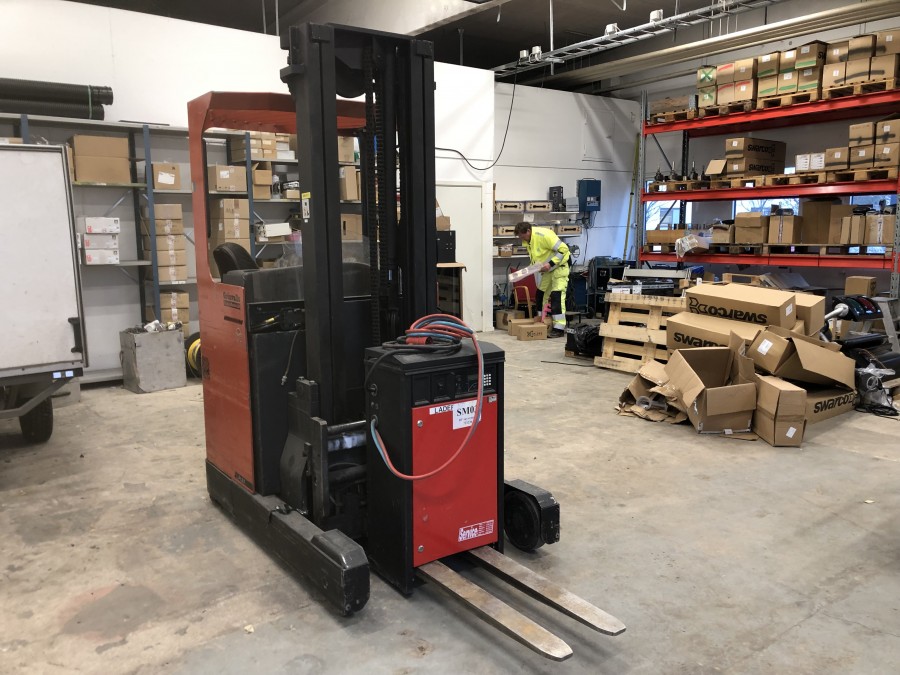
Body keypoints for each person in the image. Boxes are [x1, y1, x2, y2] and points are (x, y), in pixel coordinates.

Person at [514, 221, 570, 338]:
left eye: (522, 236)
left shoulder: (544, 235)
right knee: (540, 294)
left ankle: (559, 328)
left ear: (528, 231)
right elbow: (536, 258)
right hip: (548, 271)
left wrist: (550, 264)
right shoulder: (529, 241)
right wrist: (528, 271)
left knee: (556, 296)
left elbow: (563, 249)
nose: (521, 239)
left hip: (560, 267)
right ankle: (541, 321)